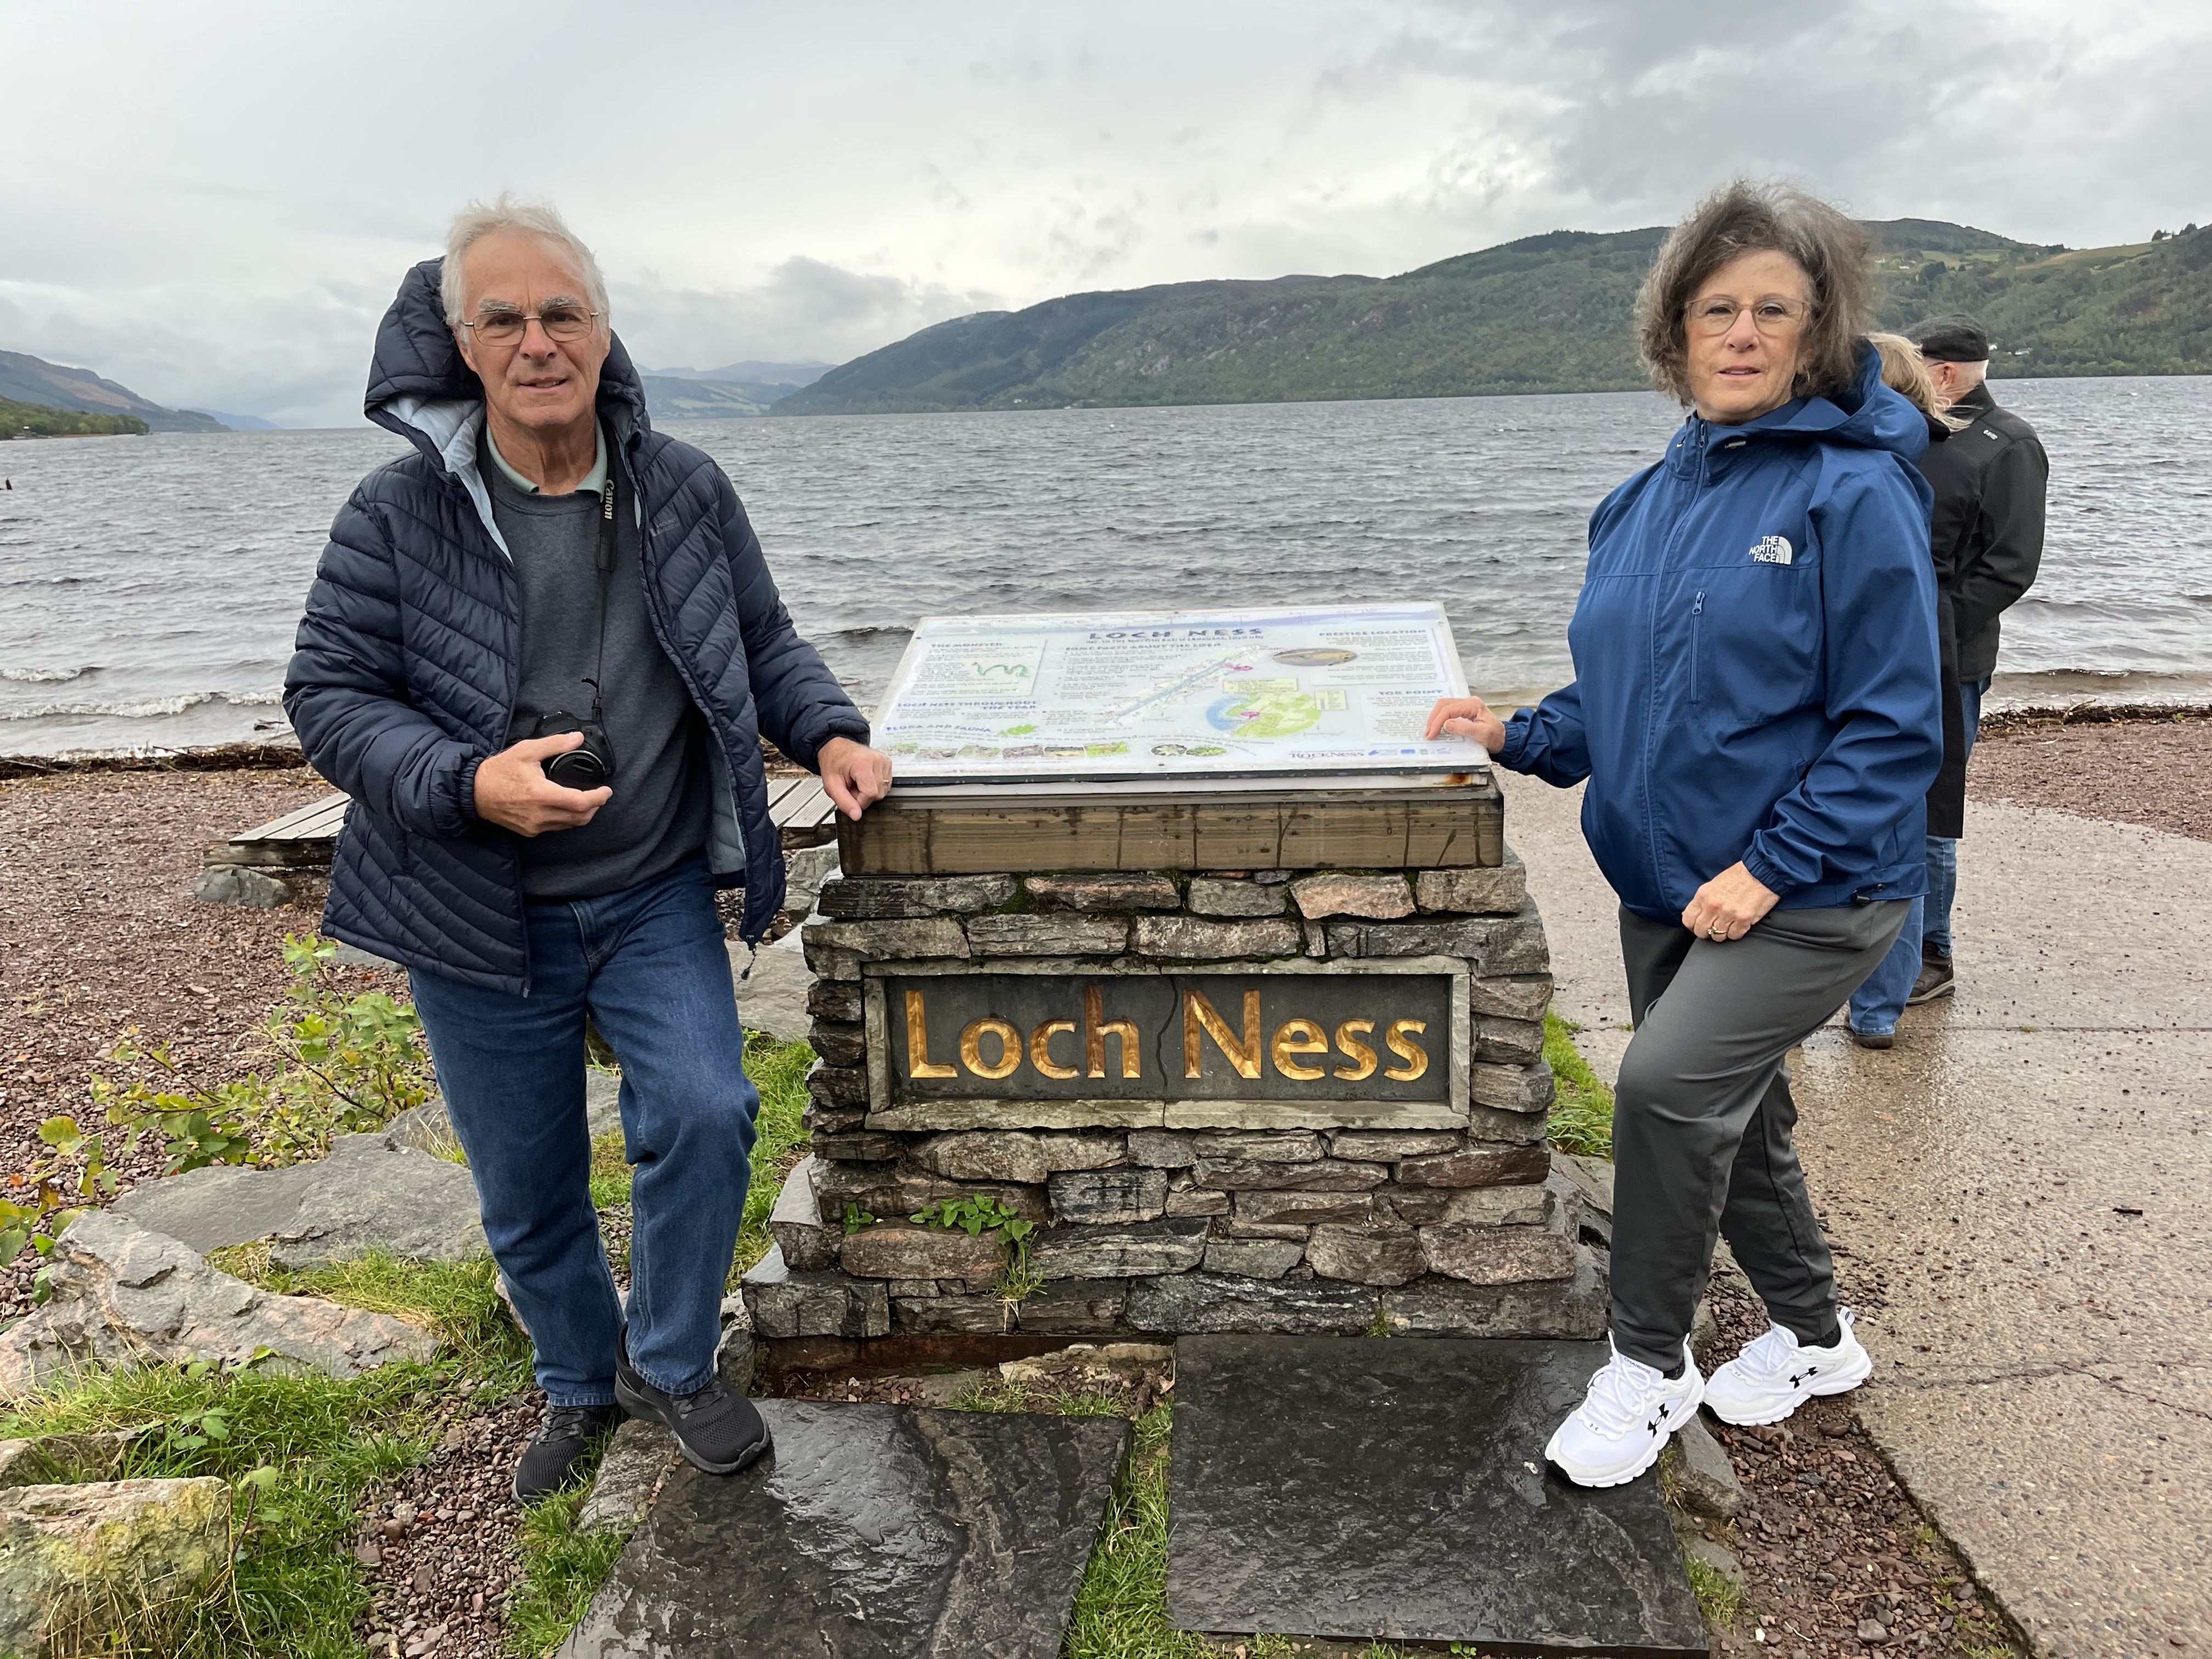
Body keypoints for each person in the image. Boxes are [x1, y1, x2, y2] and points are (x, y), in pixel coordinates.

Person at [285, 196, 894, 1503]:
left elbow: (762, 638)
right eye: (502, 318)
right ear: (461, 346)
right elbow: (328, 697)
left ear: (604, 332)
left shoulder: (683, 487)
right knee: (528, 1182)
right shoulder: (393, 513)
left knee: (709, 1111)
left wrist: (831, 731)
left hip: (650, 889)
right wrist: (468, 784)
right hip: (468, 904)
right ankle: (576, 1377)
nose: (537, 341)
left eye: (562, 313)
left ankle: (669, 1363)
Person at [1425, 180, 1943, 1487]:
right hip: (1667, 884)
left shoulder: (1852, 492)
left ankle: (1648, 1368)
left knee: (1663, 1090)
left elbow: (1895, 728)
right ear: (1675, 331)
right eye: (1717, 309)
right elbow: (1623, 696)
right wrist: (1513, 732)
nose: (1743, 332)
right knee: (1736, 1116)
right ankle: (1818, 1340)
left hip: (1815, 887)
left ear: (1819, 330)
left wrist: (1767, 869)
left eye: (1775, 308)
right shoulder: (1640, 502)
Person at [1847, 314, 2047, 1039]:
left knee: (1932, 808)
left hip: (1950, 654)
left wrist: (1925, 628)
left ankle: (1934, 952)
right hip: (1883, 649)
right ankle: (1877, 953)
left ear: (1943, 371)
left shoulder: (2008, 444)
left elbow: (2011, 566)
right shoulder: (1892, 443)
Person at [1842, 336, 1966, 1045]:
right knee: (1903, 830)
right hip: (1930, 651)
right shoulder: (1934, 461)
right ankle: (1878, 1005)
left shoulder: (1885, 470)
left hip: (1915, 654)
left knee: (1898, 832)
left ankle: (1878, 1001)